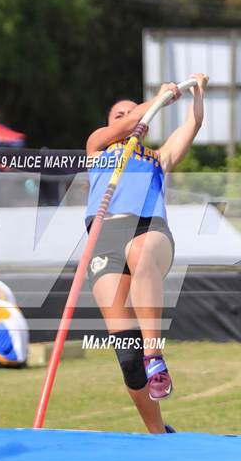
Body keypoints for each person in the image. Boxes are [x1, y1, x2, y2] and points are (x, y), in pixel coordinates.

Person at [85, 74, 208, 434]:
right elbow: (122, 125)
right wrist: (154, 100)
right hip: (104, 238)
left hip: (148, 229)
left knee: (139, 250)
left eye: (131, 113)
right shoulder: (98, 149)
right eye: (118, 115)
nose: (127, 118)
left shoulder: (157, 157)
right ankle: (158, 431)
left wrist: (196, 93)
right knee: (126, 355)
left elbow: (193, 123)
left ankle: (154, 353)